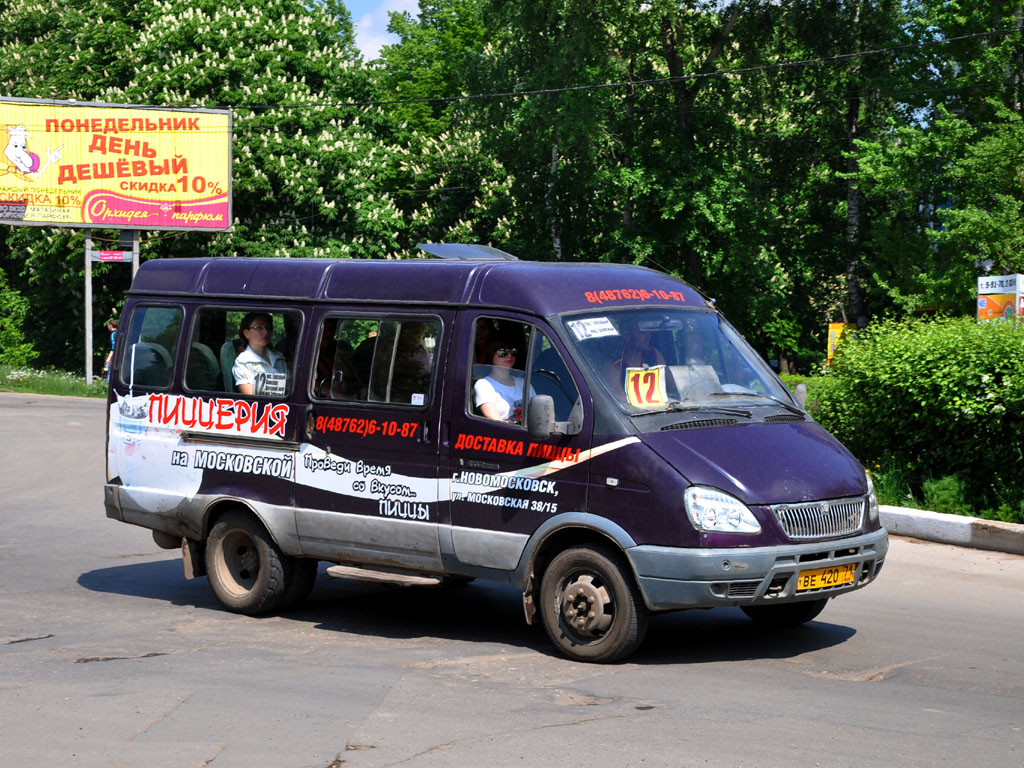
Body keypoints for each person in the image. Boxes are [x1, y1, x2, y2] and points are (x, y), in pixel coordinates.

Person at [474, 333, 533, 423]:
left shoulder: (524, 383)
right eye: (503, 352)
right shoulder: (484, 385)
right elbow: (495, 421)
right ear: (491, 354)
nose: (509, 355)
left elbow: (538, 414)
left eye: (513, 351)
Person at [232, 312, 288, 396]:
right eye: (259, 328)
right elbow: (251, 396)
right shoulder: (243, 362)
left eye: (268, 328)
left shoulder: (279, 357)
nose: (265, 332)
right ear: (246, 333)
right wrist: (282, 384)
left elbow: (292, 388)